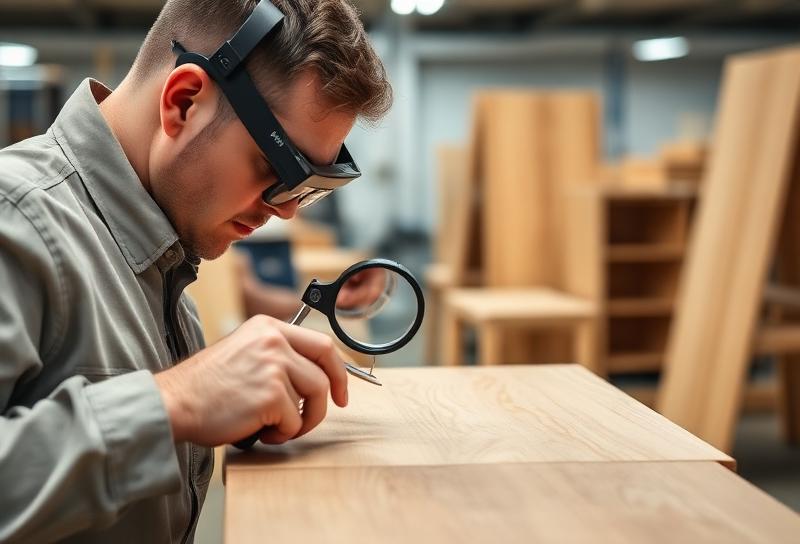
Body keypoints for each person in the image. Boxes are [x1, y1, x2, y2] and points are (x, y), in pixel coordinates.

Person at [0, 0, 392, 542]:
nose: (286, 209)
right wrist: (174, 402)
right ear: (184, 102)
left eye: (313, 189)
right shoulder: (16, 217)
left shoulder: (160, 260)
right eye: (279, 170)